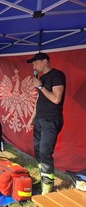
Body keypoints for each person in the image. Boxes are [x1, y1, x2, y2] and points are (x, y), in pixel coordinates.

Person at [26, 52, 66, 195]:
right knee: (38, 151)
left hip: (51, 120)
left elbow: (56, 99)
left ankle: (47, 187)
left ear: (45, 61)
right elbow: (39, 99)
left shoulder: (57, 75)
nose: (34, 66)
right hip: (39, 119)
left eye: (35, 63)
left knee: (45, 152)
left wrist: (41, 86)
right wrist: (32, 118)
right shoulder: (41, 78)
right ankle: (43, 179)